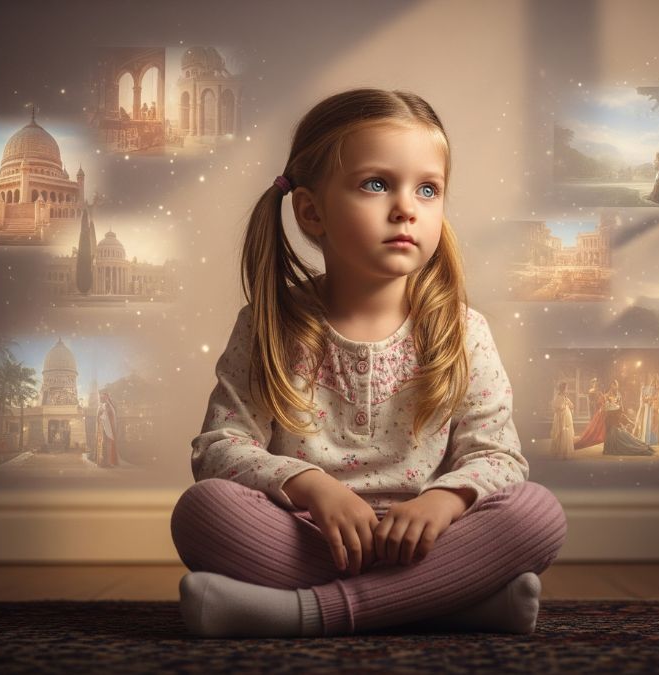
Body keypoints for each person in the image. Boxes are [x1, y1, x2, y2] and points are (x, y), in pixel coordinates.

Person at [168, 88, 566, 639]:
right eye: (376, 184)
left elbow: (497, 457)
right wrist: (313, 488)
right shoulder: (270, 324)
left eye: (428, 189)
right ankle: (444, 604)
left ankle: (307, 613)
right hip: (311, 537)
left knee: (537, 514)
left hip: (431, 541)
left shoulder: (463, 331)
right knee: (202, 510)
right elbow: (219, 448)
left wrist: (443, 500)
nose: (406, 207)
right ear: (311, 211)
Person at [601, 380, 654, 456]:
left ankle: (640, 447)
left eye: (617, 386)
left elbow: (621, 407)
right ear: (611, 385)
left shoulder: (618, 394)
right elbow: (605, 408)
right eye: (615, 386)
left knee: (624, 437)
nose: (616, 387)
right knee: (612, 435)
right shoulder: (606, 395)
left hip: (616, 418)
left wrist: (622, 415)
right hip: (610, 419)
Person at [573, 376, 607, 449]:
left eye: (596, 382)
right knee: (593, 420)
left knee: (598, 421)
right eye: (594, 382)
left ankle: (596, 434)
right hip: (593, 406)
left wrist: (601, 400)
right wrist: (595, 402)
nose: (595, 384)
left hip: (598, 407)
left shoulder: (599, 391)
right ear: (592, 384)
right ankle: (592, 434)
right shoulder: (591, 390)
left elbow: (602, 398)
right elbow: (591, 399)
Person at [550, 381, 575, 460]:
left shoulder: (565, 397)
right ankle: (559, 451)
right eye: (566, 388)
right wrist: (564, 404)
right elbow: (557, 406)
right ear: (562, 389)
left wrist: (570, 405)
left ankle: (565, 451)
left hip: (566, 416)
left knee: (566, 432)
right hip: (561, 416)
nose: (567, 390)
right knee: (561, 432)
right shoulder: (558, 396)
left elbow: (571, 404)